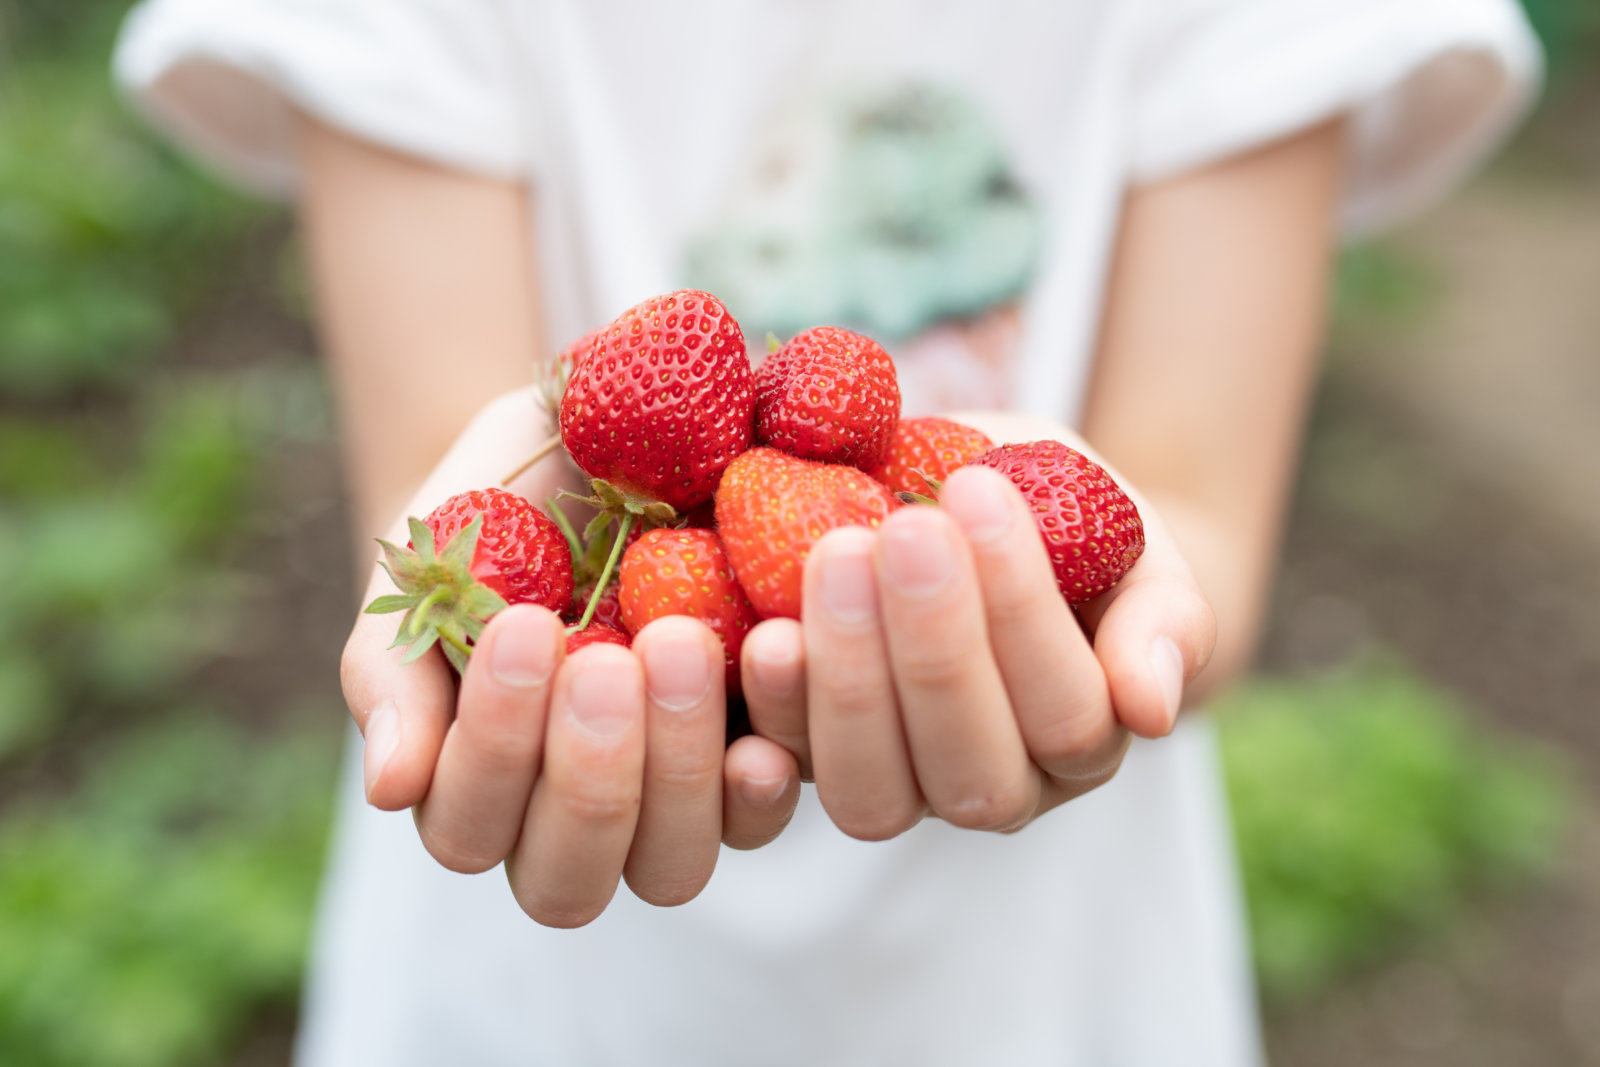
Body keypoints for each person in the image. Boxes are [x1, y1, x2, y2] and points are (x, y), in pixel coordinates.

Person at [115, 1, 1541, 1063]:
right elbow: (443, 513)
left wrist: (1125, 597)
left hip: (1043, 988)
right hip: (533, 993)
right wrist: (496, 584)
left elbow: (1192, 514)